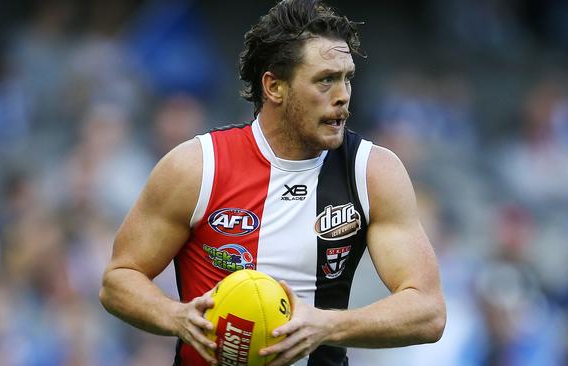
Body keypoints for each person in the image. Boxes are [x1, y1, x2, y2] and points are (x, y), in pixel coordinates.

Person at [99, 1, 446, 365]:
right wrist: (176, 317)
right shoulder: (198, 167)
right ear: (274, 86)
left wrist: (327, 325)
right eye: (325, 79)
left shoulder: (372, 172)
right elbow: (119, 279)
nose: (342, 95)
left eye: (347, 78)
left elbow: (428, 311)